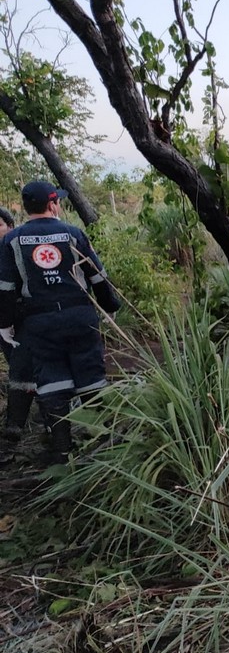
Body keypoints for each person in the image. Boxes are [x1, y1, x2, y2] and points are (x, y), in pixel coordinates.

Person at [0, 182, 121, 464]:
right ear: (53, 204)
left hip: (39, 324)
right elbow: (98, 276)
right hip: (80, 318)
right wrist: (110, 306)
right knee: (91, 376)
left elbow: (5, 288)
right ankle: (103, 443)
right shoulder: (73, 233)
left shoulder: (12, 240)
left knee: (52, 382)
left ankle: (61, 450)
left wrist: (4, 324)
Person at [0, 207, 37, 456]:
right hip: (4, 322)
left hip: (24, 321)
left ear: (9, 226)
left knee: (23, 370)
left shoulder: (18, 247)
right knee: (17, 366)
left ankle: (14, 432)